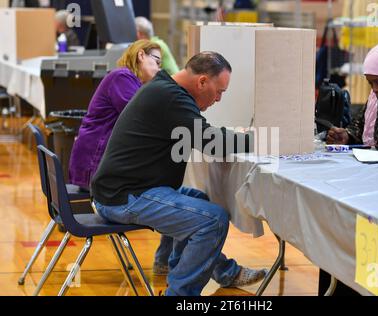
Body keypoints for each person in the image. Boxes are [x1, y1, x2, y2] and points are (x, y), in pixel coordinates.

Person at [91, 52, 267, 296]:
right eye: (220, 92)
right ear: (203, 81)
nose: (218, 99)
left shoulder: (165, 89)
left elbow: (204, 134)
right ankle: (180, 295)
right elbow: (211, 142)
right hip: (124, 197)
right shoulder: (170, 97)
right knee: (213, 219)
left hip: (124, 190)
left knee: (199, 202)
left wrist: (239, 137)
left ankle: (221, 273)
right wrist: (258, 139)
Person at [69, 40, 162, 190]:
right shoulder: (122, 77)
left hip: (98, 160)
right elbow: (139, 117)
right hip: (94, 162)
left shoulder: (130, 80)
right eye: (157, 62)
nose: (158, 69)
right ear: (141, 55)